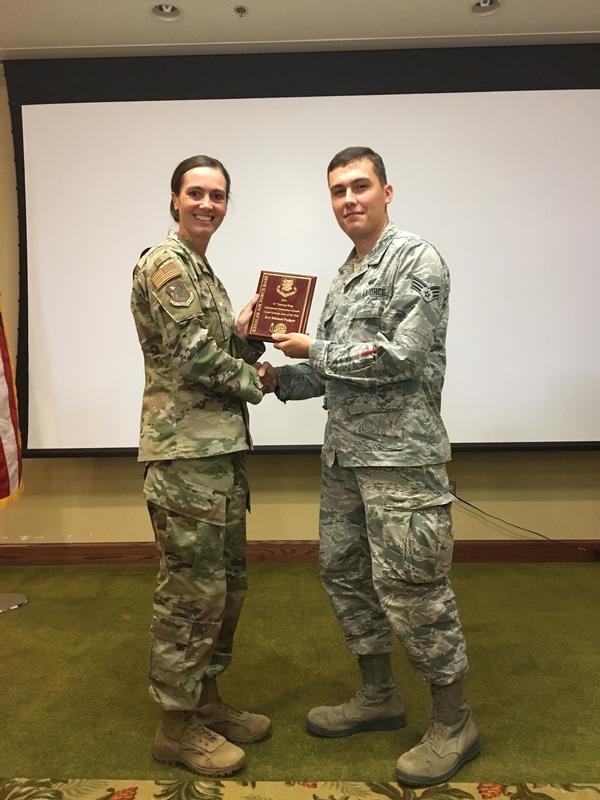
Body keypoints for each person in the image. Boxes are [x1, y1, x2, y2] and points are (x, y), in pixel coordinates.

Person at [259, 146, 480, 786]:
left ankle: (453, 719)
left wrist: (317, 348)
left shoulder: (416, 260)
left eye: (360, 186)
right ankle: (379, 694)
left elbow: (401, 356)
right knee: (345, 573)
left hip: (401, 463)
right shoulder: (345, 274)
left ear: (388, 192)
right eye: (337, 191)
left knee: (414, 588)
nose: (348, 199)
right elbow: (332, 375)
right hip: (347, 460)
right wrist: (272, 376)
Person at [131, 155, 271, 777]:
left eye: (217, 195)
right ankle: (175, 727)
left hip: (215, 455)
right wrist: (259, 380)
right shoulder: (167, 265)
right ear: (174, 198)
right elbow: (193, 357)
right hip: (185, 457)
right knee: (191, 593)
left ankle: (206, 701)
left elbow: (214, 347)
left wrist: (253, 337)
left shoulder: (204, 271)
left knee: (226, 586)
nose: (207, 204)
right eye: (196, 193)